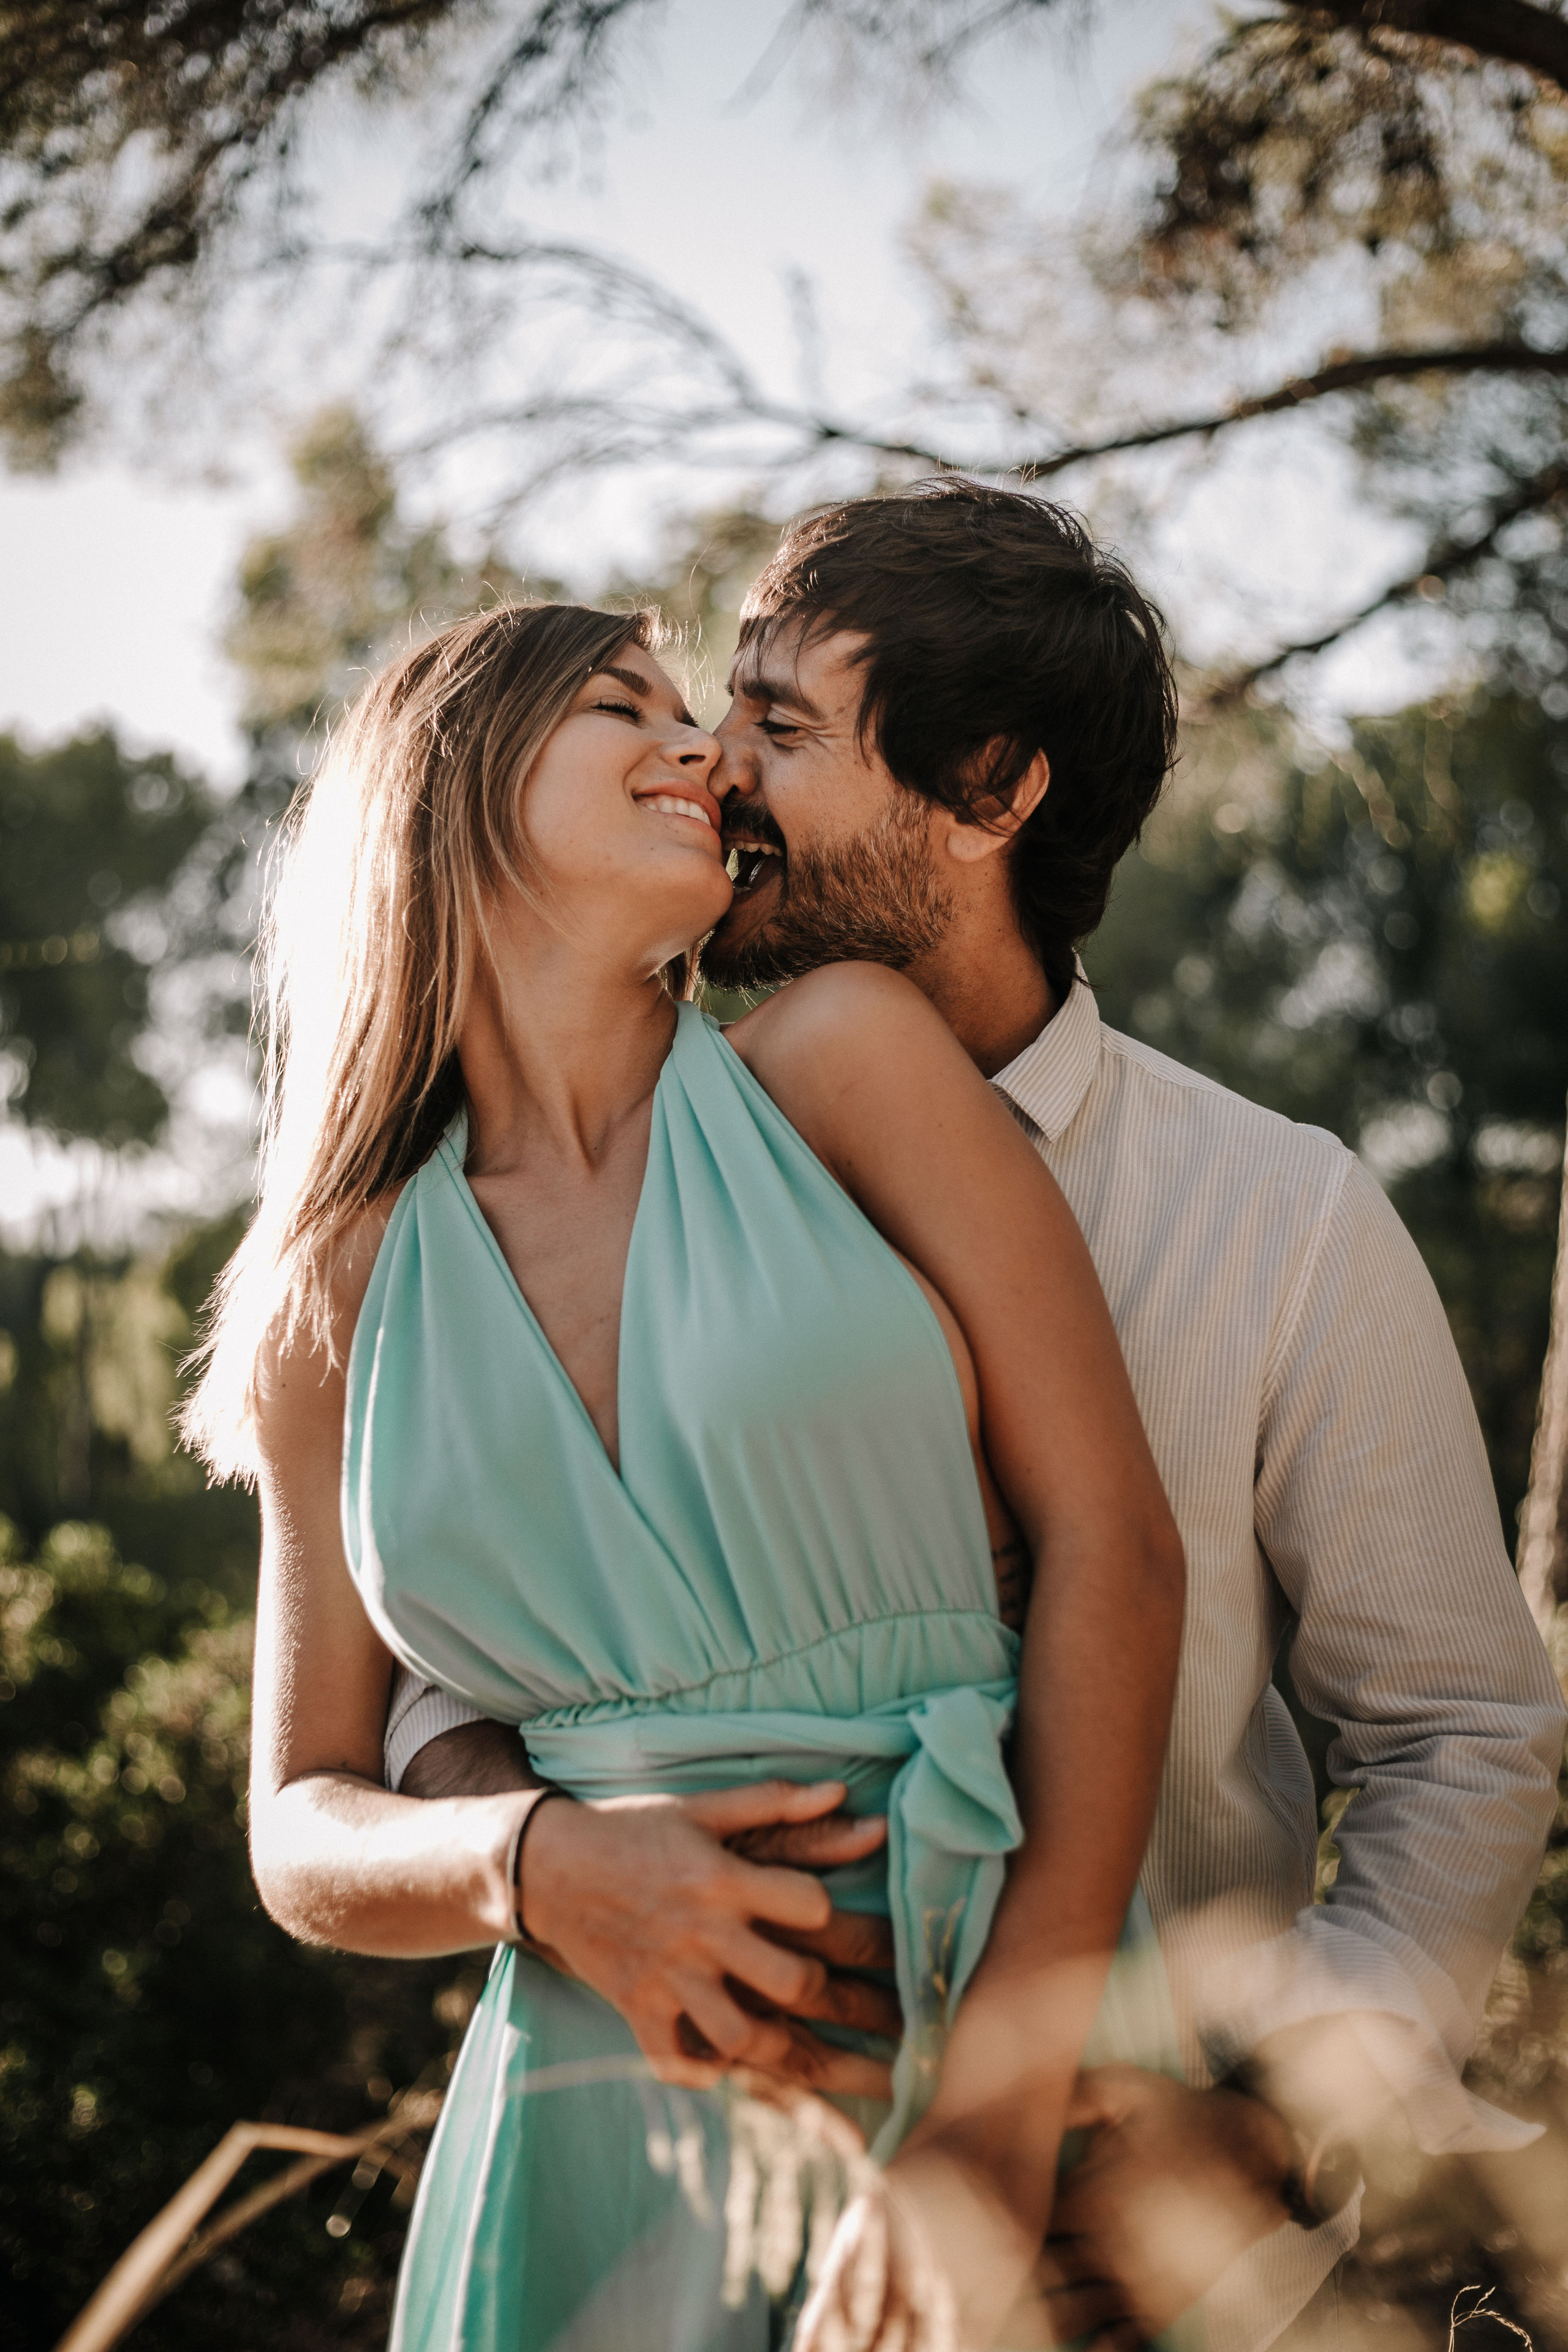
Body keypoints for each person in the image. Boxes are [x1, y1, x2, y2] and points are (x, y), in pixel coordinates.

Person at [395, 483, 1568, 2352]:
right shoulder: (609, 1185)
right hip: (699, 2212)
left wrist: (1270, 2120)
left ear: (994, 791)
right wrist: (550, 1864)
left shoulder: (1281, 1219)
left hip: (1150, 2243)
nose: (719, 771)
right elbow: (455, 1679)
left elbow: (1460, 1730)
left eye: (782, 727)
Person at [182, 598, 1191, 2352]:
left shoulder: (849, 1064)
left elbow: (1117, 1545)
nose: (710, 751)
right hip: (591, 2095)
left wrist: (1000, 2108)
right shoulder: (327, 1296)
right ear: (452, 782)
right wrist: (538, 1865)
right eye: (622, 705)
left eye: (701, 717)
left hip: (973, 2011)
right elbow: (300, 1821)